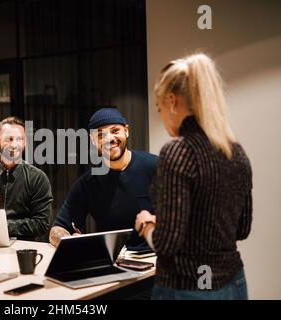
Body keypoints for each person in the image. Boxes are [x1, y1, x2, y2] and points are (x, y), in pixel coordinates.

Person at [135, 53, 252, 300]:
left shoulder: (177, 152)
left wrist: (146, 223)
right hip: (234, 284)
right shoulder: (236, 152)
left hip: (187, 287)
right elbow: (242, 229)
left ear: (172, 101)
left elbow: (167, 244)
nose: (162, 118)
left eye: (159, 108)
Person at [49, 108, 158, 248]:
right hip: (112, 260)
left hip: (154, 257)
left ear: (126, 131)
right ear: (93, 141)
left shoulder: (156, 167)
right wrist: (74, 244)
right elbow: (57, 230)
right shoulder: (87, 183)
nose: (109, 139)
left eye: (115, 131)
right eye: (100, 135)